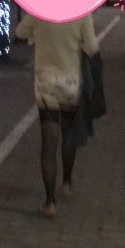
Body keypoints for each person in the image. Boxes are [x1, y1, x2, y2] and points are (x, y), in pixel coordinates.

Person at [15, 12, 99, 219]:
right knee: (68, 133)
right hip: (70, 83)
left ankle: (50, 202)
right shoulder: (81, 13)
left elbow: (20, 32)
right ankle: (67, 181)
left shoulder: (39, 11)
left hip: (46, 84)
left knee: (48, 143)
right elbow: (92, 48)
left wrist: (36, 35)